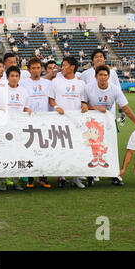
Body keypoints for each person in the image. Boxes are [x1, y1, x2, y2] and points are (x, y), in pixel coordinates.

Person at [85, 65, 135, 186]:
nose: (103, 77)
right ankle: (90, 176)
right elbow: (83, 105)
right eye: (100, 75)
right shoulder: (88, 88)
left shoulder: (115, 89)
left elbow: (125, 108)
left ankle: (114, 175)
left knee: (111, 149)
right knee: (92, 149)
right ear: (96, 76)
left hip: (109, 123)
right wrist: (95, 108)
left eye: (105, 75)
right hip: (92, 124)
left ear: (109, 77)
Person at [49, 57, 88, 189]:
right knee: (62, 149)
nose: (62, 68)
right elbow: (51, 100)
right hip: (60, 121)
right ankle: (62, 177)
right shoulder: (56, 81)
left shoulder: (81, 83)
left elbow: (82, 100)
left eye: (64, 65)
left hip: (76, 122)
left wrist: (84, 105)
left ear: (72, 67)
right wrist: (56, 108)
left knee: (77, 149)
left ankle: (76, 178)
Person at [0, 66, 30, 191]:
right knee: (4, 155)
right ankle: (2, 181)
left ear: (19, 77)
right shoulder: (1, 90)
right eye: (12, 76)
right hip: (4, 127)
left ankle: (16, 181)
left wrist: (27, 110)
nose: (14, 78)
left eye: (16, 76)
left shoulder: (24, 91)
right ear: (7, 77)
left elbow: (25, 107)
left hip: (19, 127)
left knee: (18, 155)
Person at [19, 57, 52, 189]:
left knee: (44, 150)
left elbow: (51, 101)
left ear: (42, 69)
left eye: (38, 67)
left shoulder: (47, 83)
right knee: (30, 150)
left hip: (44, 121)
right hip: (29, 121)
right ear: (29, 69)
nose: (36, 70)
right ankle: (31, 178)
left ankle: (43, 177)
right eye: (33, 68)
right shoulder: (23, 83)